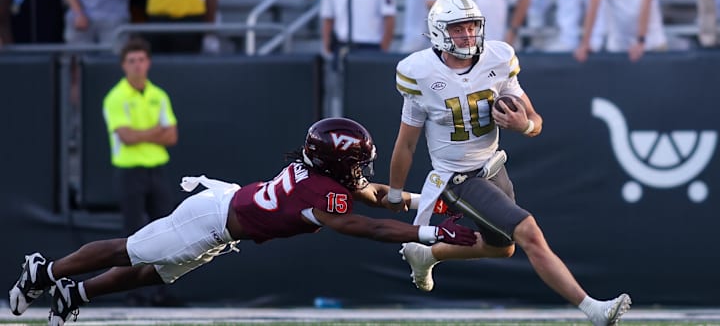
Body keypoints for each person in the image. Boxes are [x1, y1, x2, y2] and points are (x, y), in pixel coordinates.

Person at [8, 117, 477, 325]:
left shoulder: (323, 175)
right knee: (129, 250)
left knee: (153, 272)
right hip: (211, 218)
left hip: (225, 217)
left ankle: (76, 293)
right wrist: (433, 232)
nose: (361, 171)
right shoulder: (318, 192)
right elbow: (367, 226)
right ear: (335, 162)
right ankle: (44, 272)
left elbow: (376, 197)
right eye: (355, 162)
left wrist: (425, 201)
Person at [386, 0, 631, 326]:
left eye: (473, 26)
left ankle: (427, 253)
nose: (469, 35)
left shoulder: (497, 59)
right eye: (459, 28)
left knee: (502, 248)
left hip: (493, 168)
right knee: (529, 232)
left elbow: (536, 122)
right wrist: (395, 193)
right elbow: (406, 144)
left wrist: (524, 125)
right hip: (457, 177)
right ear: (440, 32)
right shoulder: (419, 73)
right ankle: (593, 309)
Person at [102, 36, 178, 305]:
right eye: (131, 61)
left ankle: (162, 290)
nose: (137, 65)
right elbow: (127, 137)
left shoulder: (158, 94)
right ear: (124, 65)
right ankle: (132, 292)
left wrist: (143, 134)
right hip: (129, 170)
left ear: (149, 63)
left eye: (141, 60)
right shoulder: (116, 97)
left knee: (167, 231)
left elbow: (172, 136)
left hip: (156, 169)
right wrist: (155, 131)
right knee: (132, 236)